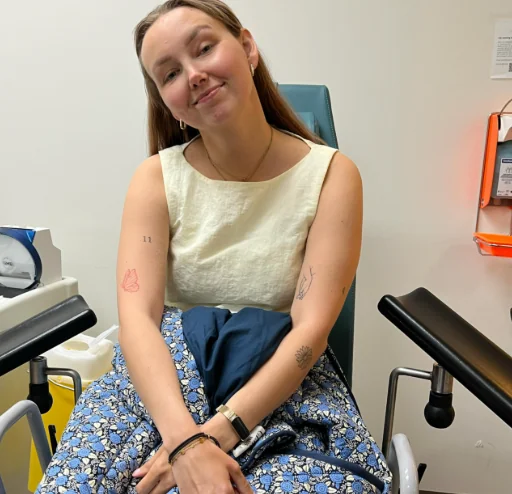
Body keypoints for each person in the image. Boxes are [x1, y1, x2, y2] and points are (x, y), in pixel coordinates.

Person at [36, 1, 392, 493]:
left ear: (248, 48)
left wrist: (214, 437)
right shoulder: (155, 180)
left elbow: (311, 330)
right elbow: (138, 320)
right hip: (163, 380)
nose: (194, 74)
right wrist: (183, 440)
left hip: (279, 383)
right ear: (167, 103)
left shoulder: (332, 176)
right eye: (170, 73)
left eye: (204, 48)